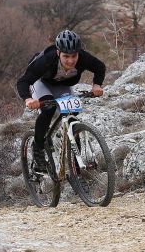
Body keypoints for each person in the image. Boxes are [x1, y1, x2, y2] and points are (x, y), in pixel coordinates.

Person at [16, 30, 106, 172]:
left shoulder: (83, 58)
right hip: (41, 83)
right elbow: (23, 81)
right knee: (48, 108)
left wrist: (96, 85)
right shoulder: (46, 60)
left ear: (78, 53)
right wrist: (28, 99)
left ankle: (77, 169)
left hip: (62, 85)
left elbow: (99, 67)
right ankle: (38, 148)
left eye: (74, 56)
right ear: (58, 53)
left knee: (72, 117)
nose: (70, 60)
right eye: (66, 56)